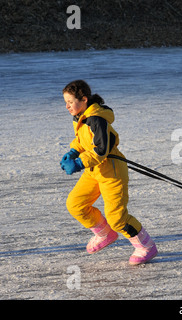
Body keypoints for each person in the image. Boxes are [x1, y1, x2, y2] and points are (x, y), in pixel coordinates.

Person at [60, 80, 158, 265]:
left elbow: (101, 149)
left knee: (117, 217)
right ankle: (105, 233)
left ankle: (146, 246)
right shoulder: (81, 116)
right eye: (65, 102)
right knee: (75, 204)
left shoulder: (96, 119)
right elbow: (83, 141)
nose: (67, 106)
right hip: (94, 170)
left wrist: (79, 162)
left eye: (70, 102)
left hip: (111, 169)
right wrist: (73, 151)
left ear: (84, 99)